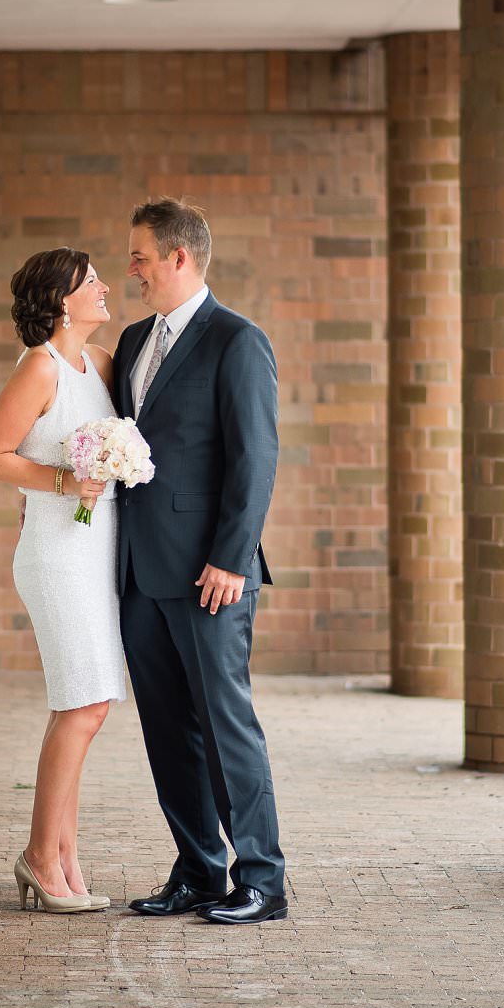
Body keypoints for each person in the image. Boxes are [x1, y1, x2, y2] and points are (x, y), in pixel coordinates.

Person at [113, 198, 288, 924]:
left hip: (212, 575)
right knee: (165, 728)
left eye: (140, 257)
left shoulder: (236, 341)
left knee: (225, 725)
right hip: (138, 574)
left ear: (179, 258)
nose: (132, 270)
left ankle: (263, 880)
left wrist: (231, 558)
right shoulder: (129, 342)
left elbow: (256, 460)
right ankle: (199, 870)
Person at [0, 247, 123, 914]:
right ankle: (41, 856)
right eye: (92, 282)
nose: (105, 288)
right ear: (62, 301)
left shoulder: (105, 365)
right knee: (82, 706)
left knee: (89, 707)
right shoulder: (41, 367)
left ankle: (64, 855)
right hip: (56, 555)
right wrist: (64, 481)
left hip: (99, 552)